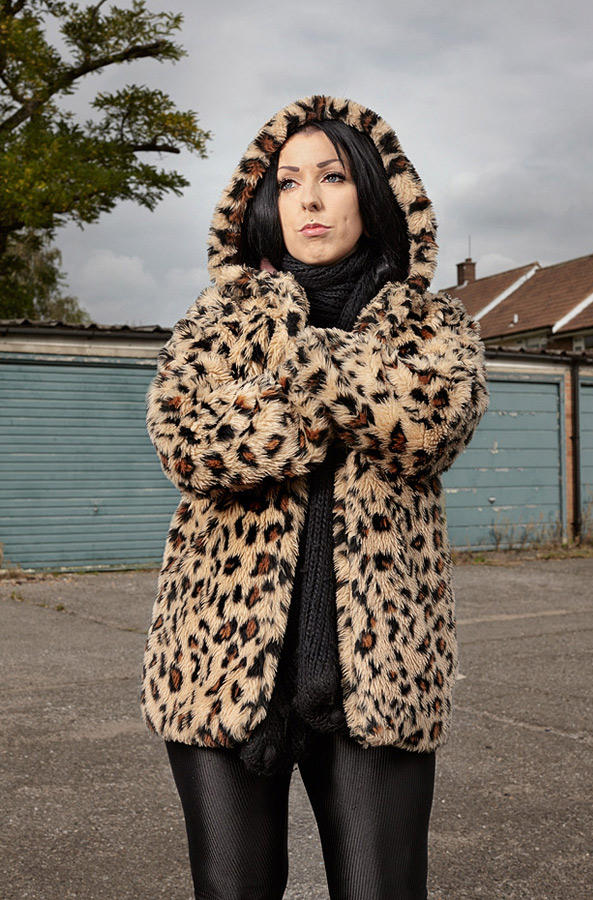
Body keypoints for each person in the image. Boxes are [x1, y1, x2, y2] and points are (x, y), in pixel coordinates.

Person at [141, 95, 489, 900]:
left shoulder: (432, 323)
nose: (308, 200)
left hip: (382, 674)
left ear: (375, 191)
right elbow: (185, 438)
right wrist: (321, 409)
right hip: (217, 665)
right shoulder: (221, 316)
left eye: (332, 177)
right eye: (288, 181)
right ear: (263, 201)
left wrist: (310, 369)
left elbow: (432, 425)